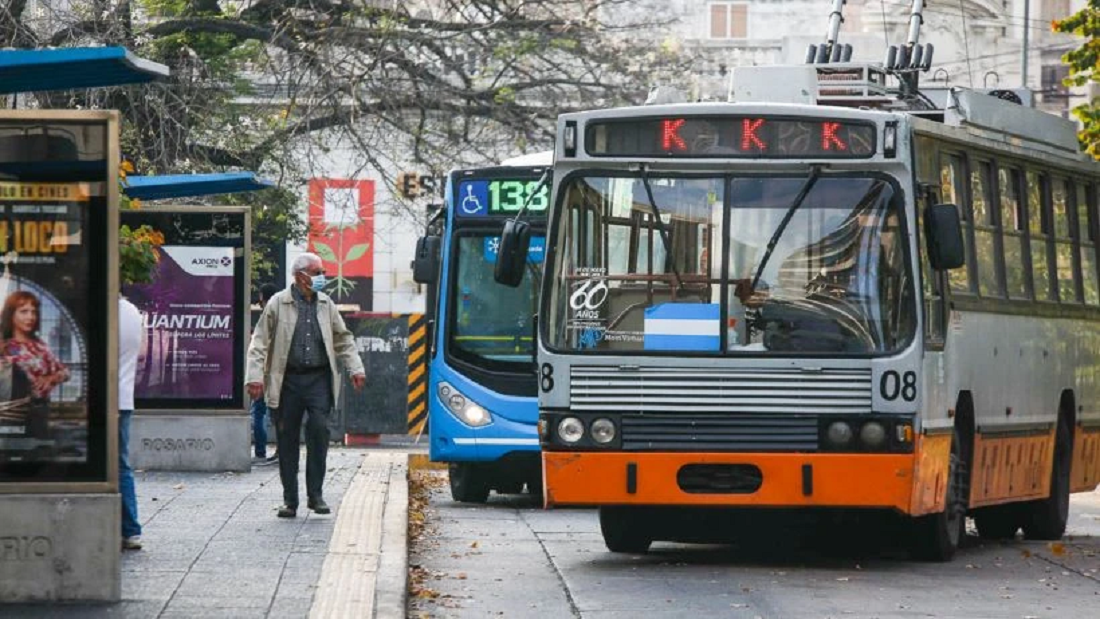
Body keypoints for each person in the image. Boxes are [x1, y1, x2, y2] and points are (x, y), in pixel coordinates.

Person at [245, 253, 366, 518]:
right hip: (288, 379)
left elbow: (343, 339)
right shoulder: (278, 303)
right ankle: (290, 500)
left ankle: (316, 495)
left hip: (318, 379)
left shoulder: (326, 304)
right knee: (287, 438)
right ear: (301, 275)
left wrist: (355, 368)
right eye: (318, 271)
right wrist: (254, 377)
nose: (323, 276)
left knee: (319, 430)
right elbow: (259, 342)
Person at [1, 291, 69, 439]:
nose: (30, 317)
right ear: (11, 314)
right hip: (10, 415)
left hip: (39, 413)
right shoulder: (3, 346)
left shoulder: (40, 346)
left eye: (33, 312)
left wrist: (51, 378)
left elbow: (65, 372)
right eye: (24, 312)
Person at [118, 295, 144, 550]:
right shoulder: (131, 310)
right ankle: (130, 528)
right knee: (121, 464)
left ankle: (128, 527)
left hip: (102, 400)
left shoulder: (102, 311)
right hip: (123, 397)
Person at [251, 283, 281, 465]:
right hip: (278, 373)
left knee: (259, 412)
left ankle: (261, 452)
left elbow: (260, 347)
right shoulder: (282, 314)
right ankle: (280, 451)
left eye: (260, 300)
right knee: (278, 413)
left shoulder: (267, 315)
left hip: (266, 372)